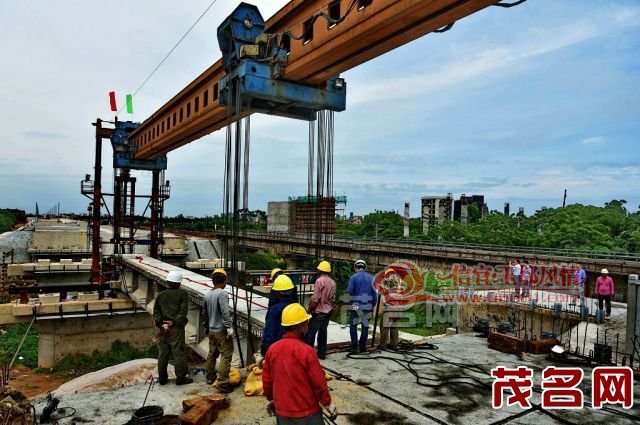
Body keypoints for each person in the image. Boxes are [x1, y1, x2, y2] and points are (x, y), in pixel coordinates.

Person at [262, 303, 337, 424]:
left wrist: (271, 399)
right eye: (306, 323)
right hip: (307, 412)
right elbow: (319, 382)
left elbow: (267, 380)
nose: (308, 326)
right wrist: (327, 403)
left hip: (282, 413)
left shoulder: (272, 350)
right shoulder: (306, 351)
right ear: (301, 326)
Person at [153, 270, 192, 385]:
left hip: (162, 329)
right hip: (176, 329)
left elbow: (156, 312)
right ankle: (181, 379)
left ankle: (163, 379)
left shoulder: (160, 295)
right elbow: (183, 312)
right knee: (178, 354)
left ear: (168, 282)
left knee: (163, 354)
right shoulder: (182, 294)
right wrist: (173, 322)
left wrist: (161, 324)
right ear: (178, 283)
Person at [202, 268, 235, 393]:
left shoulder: (208, 294)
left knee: (212, 353)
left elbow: (204, 314)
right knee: (226, 355)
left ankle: (210, 377)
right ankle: (222, 382)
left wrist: (206, 327)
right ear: (225, 280)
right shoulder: (222, 294)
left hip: (211, 330)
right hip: (221, 330)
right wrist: (229, 327)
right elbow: (225, 312)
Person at [304, 260, 336, 359]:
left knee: (310, 333)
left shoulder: (319, 281)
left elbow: (315, 299)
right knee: (323, 332)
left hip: (319, 312)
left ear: (320, 270)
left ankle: (308, 355)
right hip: (328, 311)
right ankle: (321, 354)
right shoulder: (333, 282)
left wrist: (309, 310)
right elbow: (333, 299)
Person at [261, 275, 297, 356]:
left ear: (277, 293)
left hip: (278, 351)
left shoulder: (275, 310)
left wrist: (264, 352)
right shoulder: (299, 308)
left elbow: (269, 334)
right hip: (295, 351)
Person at [347, 259, 377, 354]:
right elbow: (374, 295)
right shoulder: (371, 278)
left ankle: (354, 346)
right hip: (367, 306)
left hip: (355, 306)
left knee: (353, 325)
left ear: (356, 267)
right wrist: (373, 305)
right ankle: (362, 347)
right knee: (365, 326)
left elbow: (350, 291)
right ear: (365, 267)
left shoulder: (353, 277)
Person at [378, 267, 404, 351]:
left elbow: (383, 291)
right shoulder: (401, 281)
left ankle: (383, 345)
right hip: (400, 308)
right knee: (394, 327)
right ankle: (394, 345)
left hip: (391, 307)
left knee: (384, 326)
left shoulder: (388, 280)